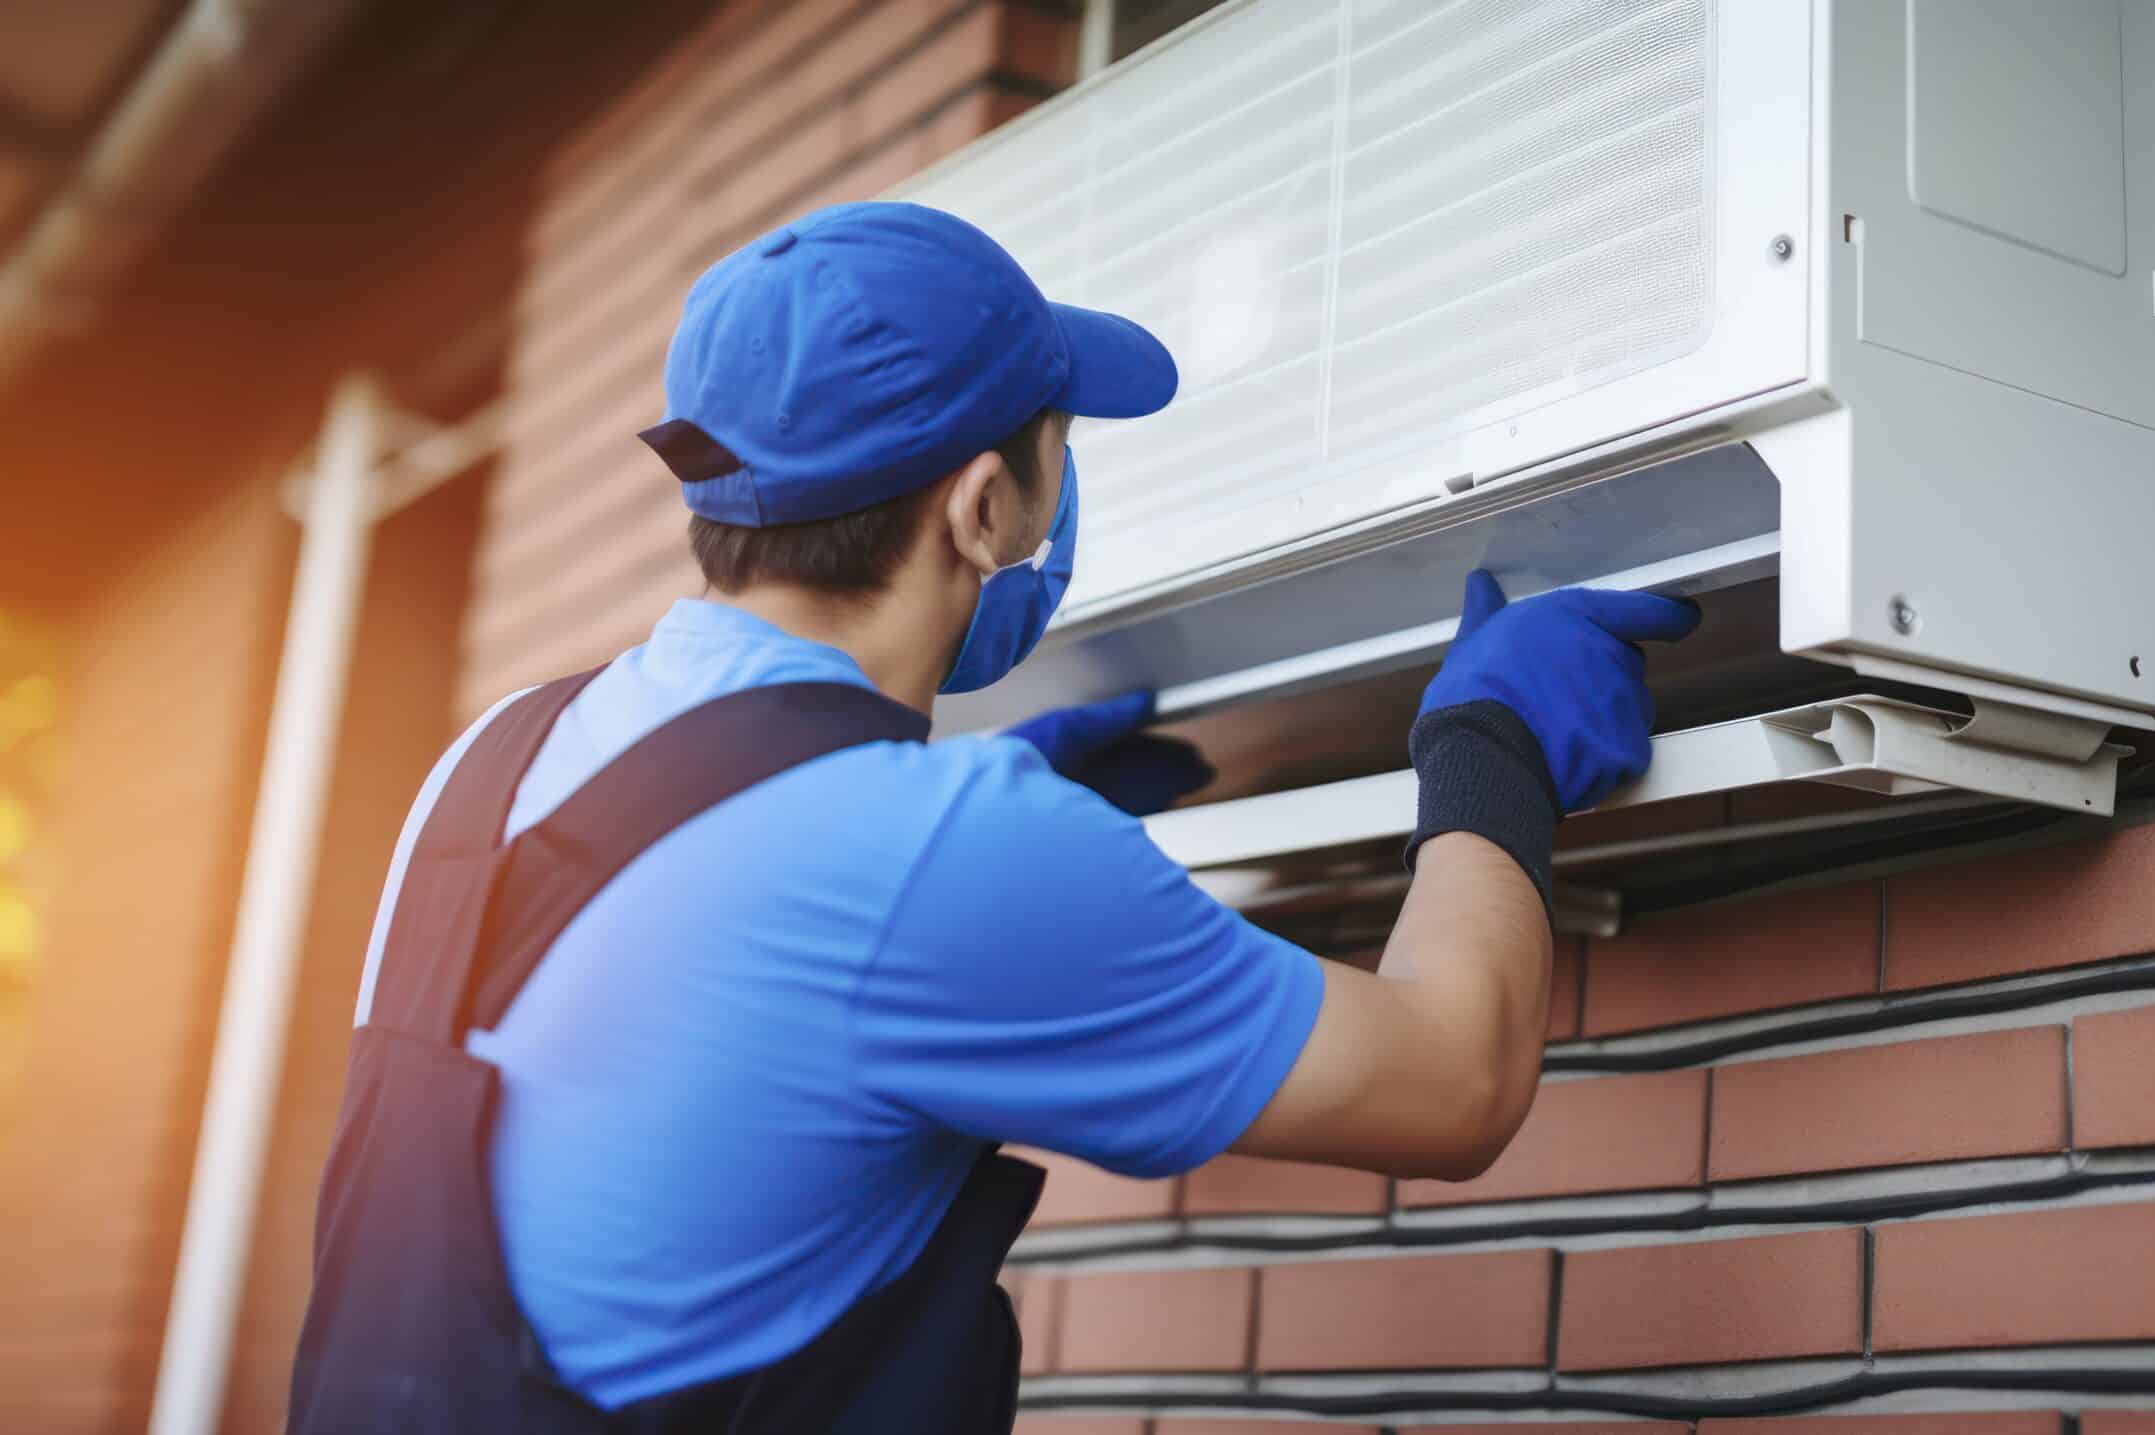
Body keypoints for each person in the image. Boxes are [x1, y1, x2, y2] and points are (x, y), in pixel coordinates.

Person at [286, 202, 1699, 1433]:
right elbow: (1452, 1085)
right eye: (1058, 443)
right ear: (981, 509)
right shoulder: (926, 851)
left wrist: (957, 842)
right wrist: (1489, 745)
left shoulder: (492, 756)